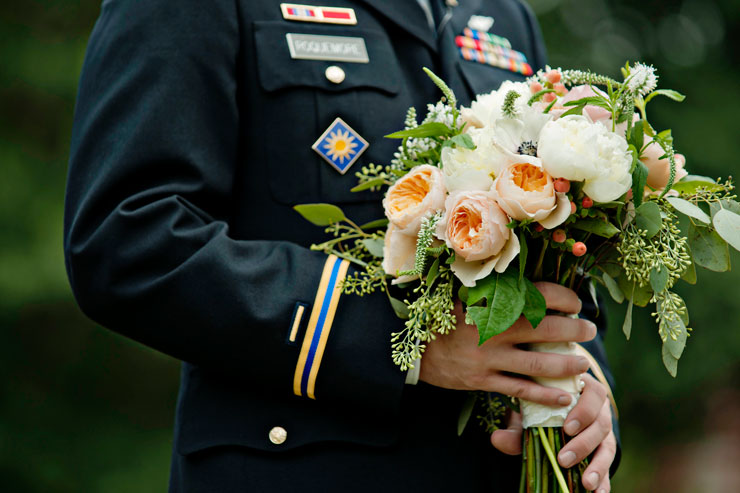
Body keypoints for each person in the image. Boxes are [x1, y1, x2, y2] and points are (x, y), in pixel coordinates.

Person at [64, 0, 618, 491]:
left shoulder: (505, 14)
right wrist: (404, 340)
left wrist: (582, 389)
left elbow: (559, 241)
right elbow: (127, 236)